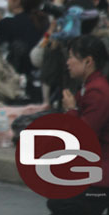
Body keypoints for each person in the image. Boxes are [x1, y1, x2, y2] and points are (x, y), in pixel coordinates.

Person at [47, 35, 109, 215]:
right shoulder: (89, 86)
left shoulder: (98, 91)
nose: (68, 62)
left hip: (100, 179)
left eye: (72, 57)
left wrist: (71, 109)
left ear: (88, 61)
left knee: (65, 204)